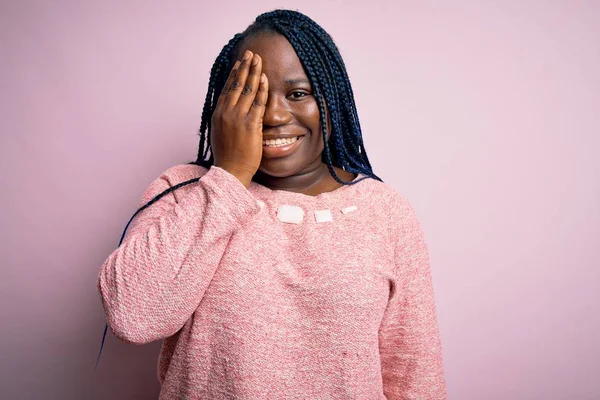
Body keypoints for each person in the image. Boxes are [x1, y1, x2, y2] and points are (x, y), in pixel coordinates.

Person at [96, 9, 447, 399]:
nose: (275, 115)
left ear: (331, 100)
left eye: (298, 94)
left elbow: (414, 379)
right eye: (253, 96)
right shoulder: (183, 192)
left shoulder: (385, 212)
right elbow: (133, 317)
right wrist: (229, 177)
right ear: (224, 105)